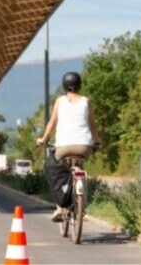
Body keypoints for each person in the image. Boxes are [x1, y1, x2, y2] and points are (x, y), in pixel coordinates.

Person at [37, 71, 101, 222]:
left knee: (53, 166)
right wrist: (97, 140)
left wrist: (44, 138)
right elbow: (92, 124)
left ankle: (60, 206)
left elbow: (52, 123)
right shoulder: (87, 101)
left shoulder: (60, 101)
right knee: (79, 164)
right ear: (80, 85)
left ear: (64, 86)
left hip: (63, 147)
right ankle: (81, 201)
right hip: (84, 147)